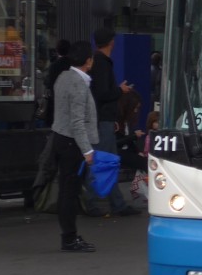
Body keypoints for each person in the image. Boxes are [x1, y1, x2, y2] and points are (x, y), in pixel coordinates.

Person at [50, 40, 97, 252]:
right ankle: (69, 238)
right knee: (71, 191)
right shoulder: (79, 84)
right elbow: (77, 121)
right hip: (73, 143)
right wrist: (87, 150)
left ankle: (68, 235)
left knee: (66, 191)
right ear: (88, 61)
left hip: (60, 137)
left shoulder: (63, 77)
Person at [89, 27, 138, 216]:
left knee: (106, 162)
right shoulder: (103, 64)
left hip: (103, 119)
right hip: (103, 120)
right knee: (104, 162)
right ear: (111, 42)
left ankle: (114, 203)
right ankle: (97, 203)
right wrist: (120, 91)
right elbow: (103, 93)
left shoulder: (97, 62)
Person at [33, 39, 73, 192]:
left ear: (57, 50)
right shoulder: (73, 67)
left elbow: (49, 85)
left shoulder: (55, 66)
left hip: (56, 112)